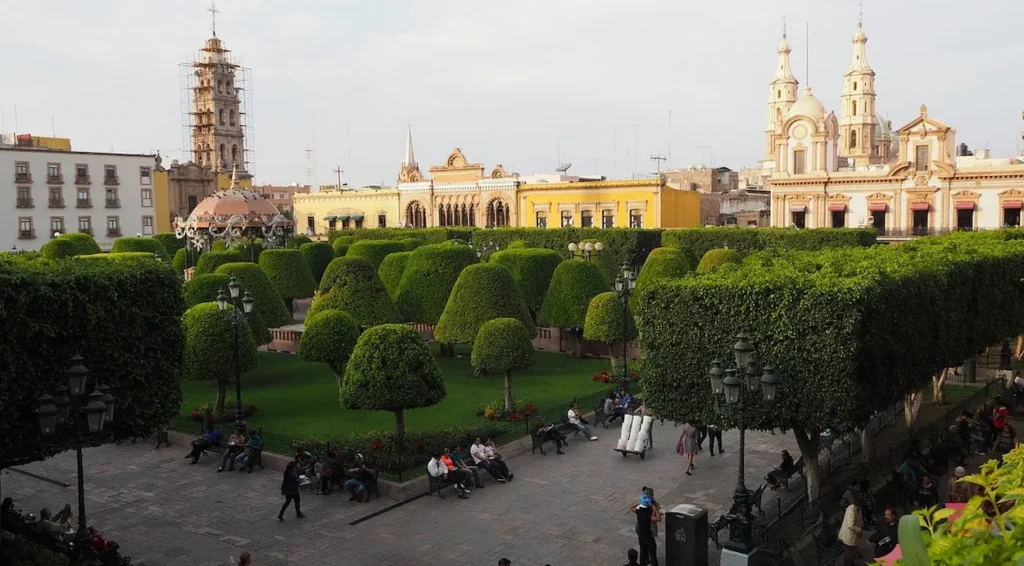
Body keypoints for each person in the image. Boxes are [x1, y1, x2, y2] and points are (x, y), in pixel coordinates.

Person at [630, 490, 661, 566]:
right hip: (648, 537)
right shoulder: (648, 516)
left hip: (641, 535)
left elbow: (630, 507)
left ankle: (644, 563)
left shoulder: (639, 512)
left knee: (643, 551)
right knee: (652, 553)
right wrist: (654, 509)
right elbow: (659, 519)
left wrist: (639, 502)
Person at [838, 499, 862, 566]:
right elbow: (850, 525)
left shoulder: (852, 508)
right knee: (849, 553)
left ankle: (851, 564)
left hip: (851, 536)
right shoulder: (851, 510)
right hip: (849, 537)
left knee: (851, 552)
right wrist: (859, 530)